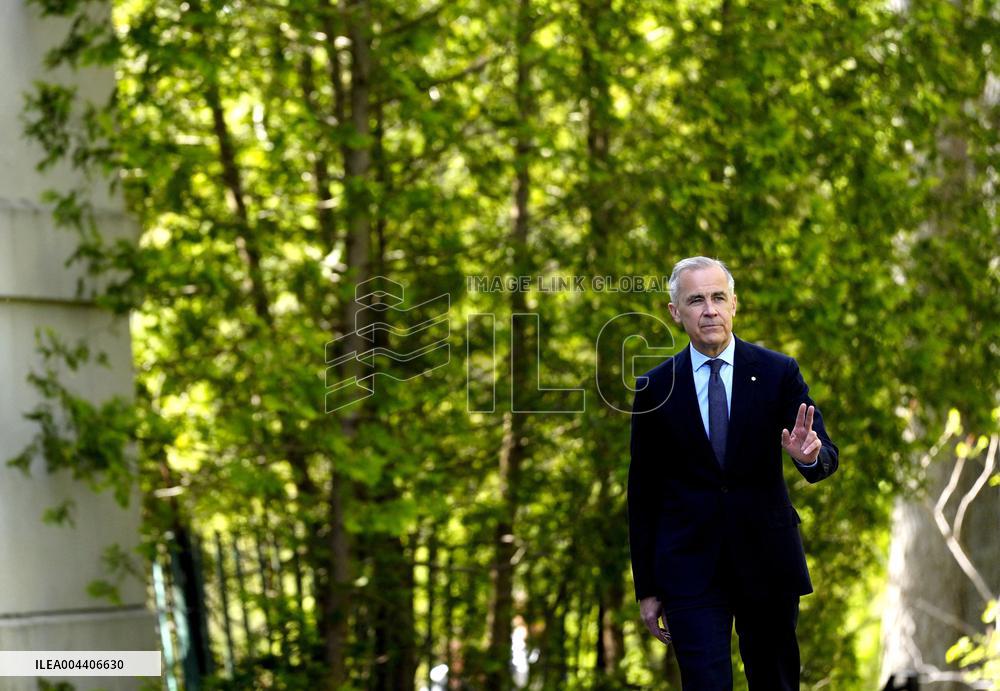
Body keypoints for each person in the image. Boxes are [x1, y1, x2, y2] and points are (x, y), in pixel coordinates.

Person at [627, 256, 839, 690]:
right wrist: (647, 587)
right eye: (696, 300)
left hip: (767, 560)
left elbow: (824, 456)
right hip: (689, 570)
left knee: (776, 683)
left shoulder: (779, 372)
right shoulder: (654, 388)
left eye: (718, 297)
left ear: (734, 304)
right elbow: (643, 493)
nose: (709, 310)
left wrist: (807, 456)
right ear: (675, 312)